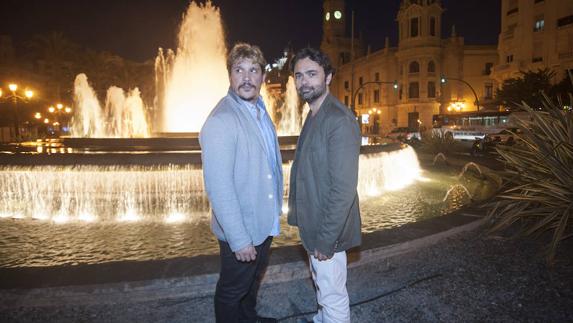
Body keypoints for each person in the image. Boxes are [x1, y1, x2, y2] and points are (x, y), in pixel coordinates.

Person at [200, 43, 282, 323]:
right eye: (239, 70)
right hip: (242, 230)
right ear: (230, 76)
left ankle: (249, 318)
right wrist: (239, 239)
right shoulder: (222, 120)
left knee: (250, 282)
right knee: (231, 290)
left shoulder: (258, 109)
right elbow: (219, 187)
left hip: (261, 221)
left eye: (253, 70)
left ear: (262, 77)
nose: (247, 77)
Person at [288, 47, 362, 323]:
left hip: (327, 230)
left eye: (311, 74)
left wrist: (326, 239)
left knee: (332, 294)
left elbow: (343, 189)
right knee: (323, 285)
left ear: (328, 77)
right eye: (299, 76)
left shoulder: (338, 120)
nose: (304, 81)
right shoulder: (314, 114)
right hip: (314, 224)